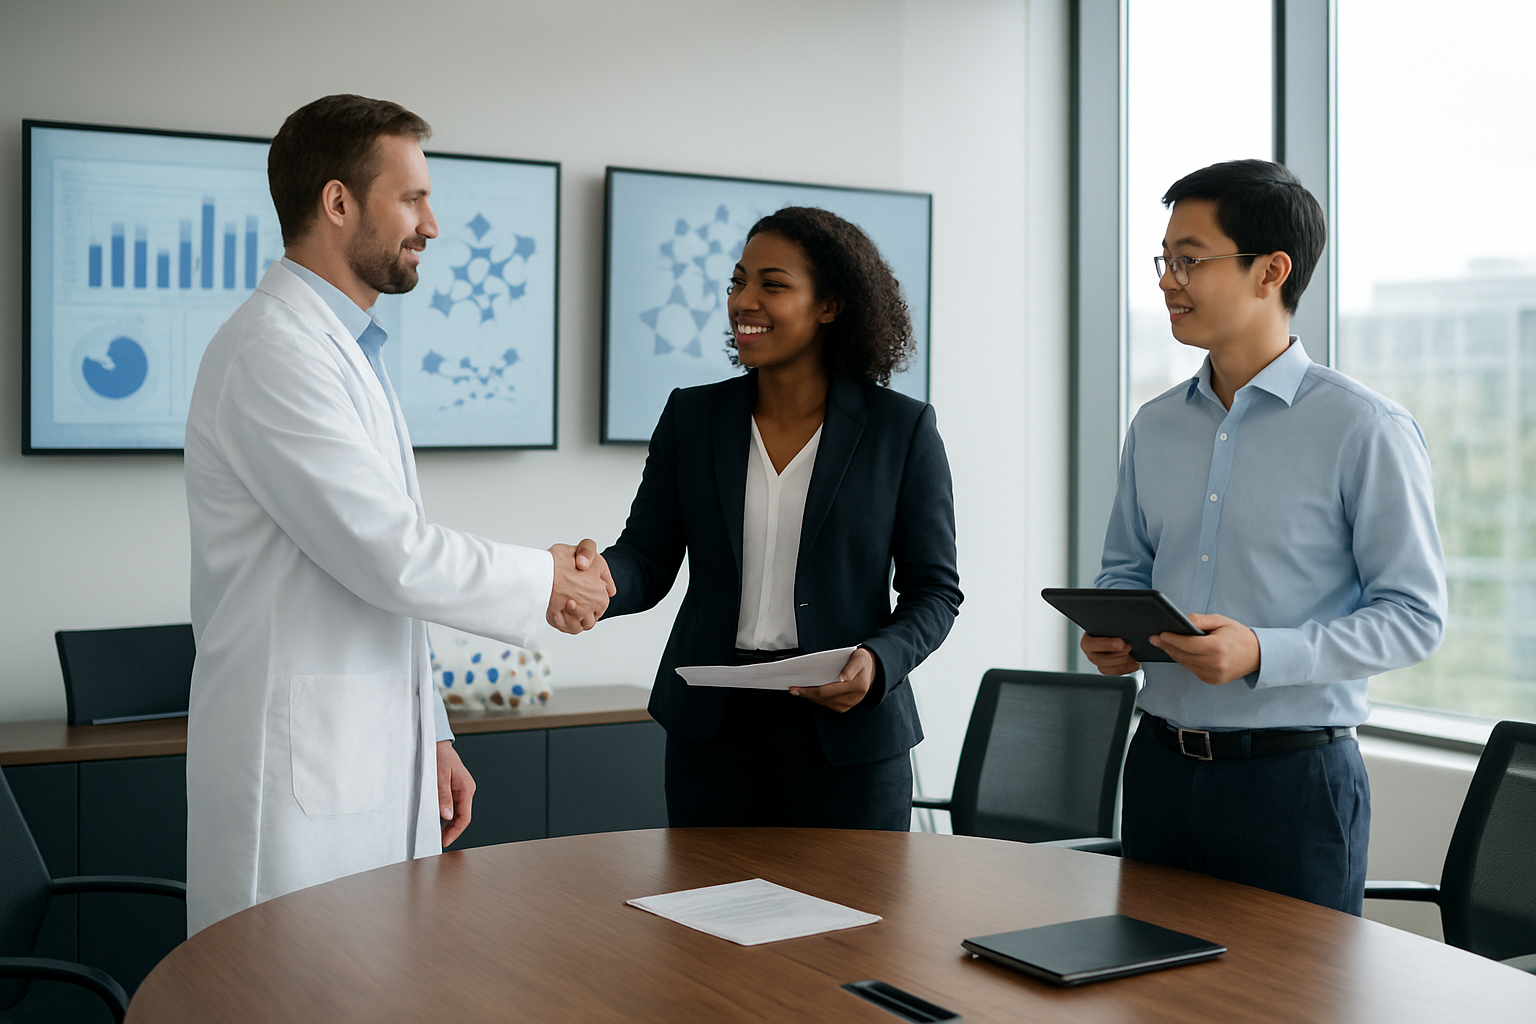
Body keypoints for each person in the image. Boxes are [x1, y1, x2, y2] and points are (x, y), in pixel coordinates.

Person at [183, 95, 612, 935]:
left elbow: (378, 580)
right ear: (338, 202)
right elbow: (389, 555)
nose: (433, 224)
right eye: (411, 198)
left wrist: (434, 735)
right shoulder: (274, 352)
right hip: (297, 784)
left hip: (367, 763)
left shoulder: (344, 350)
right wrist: (546, 579)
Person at [1082, 160, 1446, 914]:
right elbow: (1126, 571)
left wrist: (1261, 651)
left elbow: (1415, 618)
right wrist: (1115, 632)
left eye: (1190, 260)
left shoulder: (1364, 429)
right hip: (1157, 767)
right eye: (1165, 260)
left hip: (1294, 785)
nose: (1167, 281)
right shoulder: (1155, 426)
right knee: (1150, 995)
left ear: (1269, 272)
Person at [596, 207, 962, 830]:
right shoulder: (693, 418)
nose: (745, 301)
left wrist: (878, 661)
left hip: (848, 735)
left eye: (772, 284)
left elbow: (934, 591)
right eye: (738, 282)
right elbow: (647, 558)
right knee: (707, 923)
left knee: (854, 927)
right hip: (713, 732)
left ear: (829, 305)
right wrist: (593, 580)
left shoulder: (900, 430)